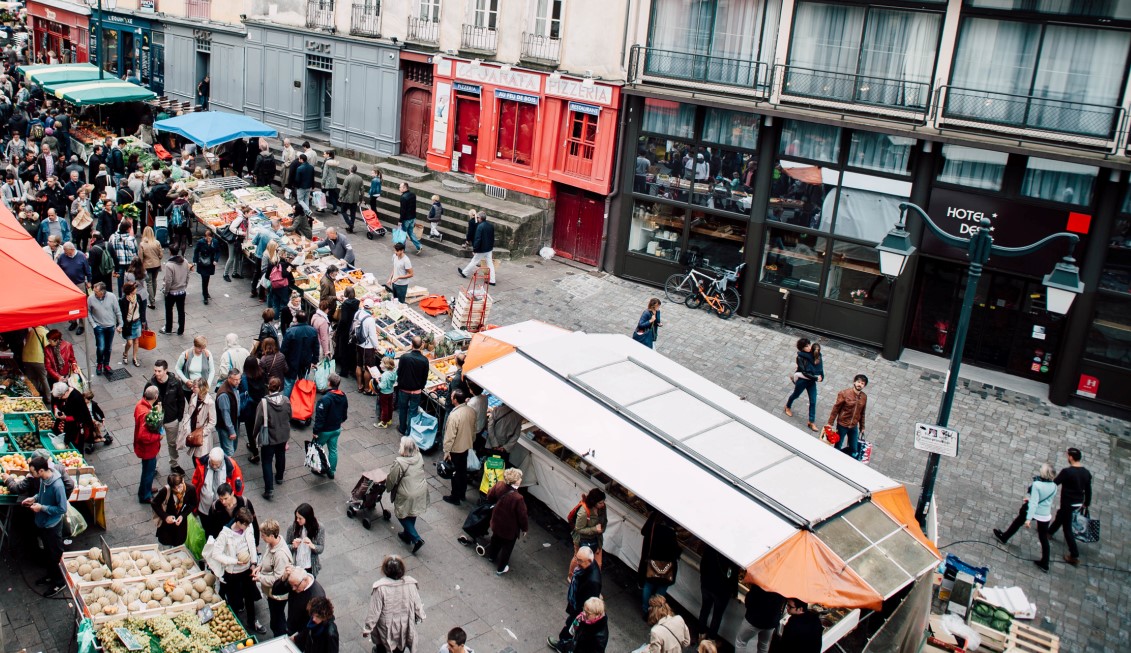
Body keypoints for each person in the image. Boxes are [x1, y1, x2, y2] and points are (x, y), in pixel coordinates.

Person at [205, 507, 267, 635]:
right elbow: (216, 554)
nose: (247, 528)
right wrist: (233, 561)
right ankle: (234, 625)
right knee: (233, 598)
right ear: (238, 522)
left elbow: (252, 544)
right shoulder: (225, 534)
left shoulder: (248, 527)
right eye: (245, 525)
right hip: (232, 572)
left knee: (249, 596)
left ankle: (252, 621)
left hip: (247, 569)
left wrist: (254, 563)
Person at [992, 463, 1058, 571]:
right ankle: (1045, 563)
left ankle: (1004, 537)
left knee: (1018, 522)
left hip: (1034, 511)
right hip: (1045, 514)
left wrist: (1028, 519)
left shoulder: (1037, 485)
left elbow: (1033, 503)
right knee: (1043, 538)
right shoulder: (1054, 486)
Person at [23, 456, 69, 597]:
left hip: (52, 526)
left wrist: (42, 508)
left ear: (41, 470)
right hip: (42, 522)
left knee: (54, 554)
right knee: (48, 552)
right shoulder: (43, 479)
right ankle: (51, 575)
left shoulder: (57, 486)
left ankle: (59, 582)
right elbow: (42, 493)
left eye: (33, 472)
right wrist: (35, 498)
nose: (31, 475)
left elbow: (62, 509)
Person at [362, 554, 426, 653]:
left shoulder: (380, 588)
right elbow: (417, 604)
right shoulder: (410, 584)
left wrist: (368, 628)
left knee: (383, 647)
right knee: (401, 645)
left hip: (386, 628)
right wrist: (420, 616)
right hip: (404, 625)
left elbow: (374, 612)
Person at [549, 546, 602, 653]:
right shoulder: (587, 567)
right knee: (570, 626)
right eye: (577, 559)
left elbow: (588, 603)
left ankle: (562, 645)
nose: (577, 563)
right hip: (577, 605)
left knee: (570, 627)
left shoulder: (593, 581)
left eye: (580, 561)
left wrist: (579, 614)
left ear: (589, 561)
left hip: (580, 610)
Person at [1048, 447, 1093, 566]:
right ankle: (1050, 532)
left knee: (1067, 529)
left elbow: (1055, 483)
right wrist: (1087, 502)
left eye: (1068, 456)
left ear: (1071, 457)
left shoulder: (1067, 472)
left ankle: (1074, 554)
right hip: (1078, 503)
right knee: (1060, 516)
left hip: (1068, 502)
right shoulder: (1086, 473)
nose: (1067, 458)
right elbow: (1088, 489)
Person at [387, 436, 428, 553]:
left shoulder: (399, 463)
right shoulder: (419, 456)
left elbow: (392, 479)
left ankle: (416, 538)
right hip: (421, 489)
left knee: (401, 514)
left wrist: (388, 488)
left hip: (407, 493)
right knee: (412, 511)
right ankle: (407, 535)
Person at [485, 468, 528, 576]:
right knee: (507, 549)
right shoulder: (518, 498)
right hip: (509, 529)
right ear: (515, 481)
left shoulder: (499, 485)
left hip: (496, 521)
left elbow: (490, 496)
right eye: (519, 478)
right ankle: (501, 568)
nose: (521, 479)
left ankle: (491, 557)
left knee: (495, 540)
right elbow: (522, 516)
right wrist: (525, 528)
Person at [254, 376, 291, 500]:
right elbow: (290, 415)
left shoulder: (263, 403)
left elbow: (258, 422)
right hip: (283, 435)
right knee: (281, 455)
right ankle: (279, 477)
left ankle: (269, 489)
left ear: (267, 387)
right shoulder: (286, 400)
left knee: (267, 461)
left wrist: (254, 436)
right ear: (279, 387)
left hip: (269, 437)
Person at [256, 519, 294, 638]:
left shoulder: (280, 555)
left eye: (263, 535)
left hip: (278, 594)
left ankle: (281, 638)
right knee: (276, 616)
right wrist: (260, 566)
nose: (262, 538)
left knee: (277, 618)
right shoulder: (272, 543)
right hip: (271, 593)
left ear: (272, 536)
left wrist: (259, 578)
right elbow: (267, 558)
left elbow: (278, 579)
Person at [639, 511, 681, 618]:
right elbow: (675, 551)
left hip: (652, 563)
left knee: (648, 585)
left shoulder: (655, 528)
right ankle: (655, 613)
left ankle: (645, 610)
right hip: (666, 568)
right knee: (661, 589)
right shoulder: (671, 534)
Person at [698, 545, 740, 643]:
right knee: (717, 616)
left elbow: (702, 565)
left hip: (707, 585)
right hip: (721, 591)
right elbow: (734, 576)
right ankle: (711, 640)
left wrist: (703, 579)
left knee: (705, 609)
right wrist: (735, 591)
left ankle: (701, 635)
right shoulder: (732, 554)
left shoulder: (710, 547)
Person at [441, 388, 475, 505]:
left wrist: (447, 451)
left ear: (455, 400)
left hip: (456, 448)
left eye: (452, 396)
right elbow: (474, 429)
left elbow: (450, 436)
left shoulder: (454, 415)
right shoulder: (471, 411)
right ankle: (462, 493)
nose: (450, 398)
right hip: (466, 446)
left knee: (454, 473)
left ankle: (454, 496)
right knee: (462, 471)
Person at [312, 374, 348, 478]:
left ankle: (318, 468)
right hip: (336, 428)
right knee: (333, 450)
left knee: (317, 448)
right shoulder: (343, 395)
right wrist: (341, 421)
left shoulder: (325, 399)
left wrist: (315, 431)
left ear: (329, 383)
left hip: (325, 430)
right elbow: (345, 412)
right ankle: (331, 471)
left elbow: (320, 418)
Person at [133, 385, 164, 504]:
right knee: (148, 471)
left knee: (147, 470)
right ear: (156, 397)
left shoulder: (140, 405)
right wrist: (158, 436)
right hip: (148, 449)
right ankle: (145, 495)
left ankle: (146, 489)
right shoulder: (146, 414)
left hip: (145, 448)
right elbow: (144, 435)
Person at [274, 567, 326, 637]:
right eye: (292, 586)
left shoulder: (317, 596)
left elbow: (314, 623)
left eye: (296, 586)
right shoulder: (295, 581)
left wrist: (297, 637)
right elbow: (276, 591)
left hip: (301, 635)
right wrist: (283, 578)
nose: (293, 589)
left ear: (305, 580)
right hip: (291, 626)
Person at [734, 583, 785, 653]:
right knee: (763, 646)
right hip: (771, 622)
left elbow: (750, 599)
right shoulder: (783, 583)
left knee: (740, 642)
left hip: (754, 619)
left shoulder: (761, 580)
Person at [827, 374, 868, 460]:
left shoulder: (864, 397)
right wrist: (830, 423)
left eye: (862, 383)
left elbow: (862, 413)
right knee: (838, 445)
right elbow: (836, 409)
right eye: (858, 382)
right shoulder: (844, 393)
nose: (859, 384)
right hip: (842, 424)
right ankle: (834, 459)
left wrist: (862, 426)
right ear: (854, 382)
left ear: (864, 386)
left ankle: (841, 457)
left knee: (854, 449)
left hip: (853, 426)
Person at [785, 339, 822, 432]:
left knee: (813, 401)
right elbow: (804, 372)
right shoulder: (800, 357)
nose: (809, 347)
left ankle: (811, 421)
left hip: (811, 381)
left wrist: (821, 376)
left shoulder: (814, 354)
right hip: (803, 380)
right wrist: (816, 378)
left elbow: (819, 367)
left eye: (809, 345)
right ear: (802, 348)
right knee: (795, 395)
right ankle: (788, 406)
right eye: (806, 346)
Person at [151, 472, 197, 546]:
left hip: (180, 525)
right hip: (166, 526)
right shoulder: (166, 490)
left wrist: (182, 516)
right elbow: (155, 503)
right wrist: (165, 517)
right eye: (174, 488)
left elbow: (193, 504)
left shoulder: (191, 489)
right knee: (166, 543)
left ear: (183, 481)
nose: (177, 490)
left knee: (178, 543)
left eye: (179, 486)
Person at [87, 281, 122, 376]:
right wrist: (94, 325)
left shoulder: (112, 297)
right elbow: (88, 312)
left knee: (108, 348)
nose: (94, 292)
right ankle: (99, 364)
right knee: (101, 347)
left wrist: (120, 324)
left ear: (102, 292)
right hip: (99, 327)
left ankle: (106, 364)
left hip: (110, 326)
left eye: (96, 291)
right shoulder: (90, 298)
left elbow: (117, 311)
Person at [396, 337, 429, 436]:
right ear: (422, 346)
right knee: (412, 411)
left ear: (411, 345)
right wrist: (421, 387)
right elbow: (425, 377)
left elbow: (399, 372)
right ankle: (409, 431)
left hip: (403, 389)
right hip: (416, 391)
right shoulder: (424, 360)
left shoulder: (404, 357)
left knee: (402, 409)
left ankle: (402, 428)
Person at [570, 488, 608, 574]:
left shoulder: (602, 507)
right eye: (600, 503)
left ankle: (592, 582)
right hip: (582, 540)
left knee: (598, 564)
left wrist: (602, 530)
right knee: (578, 560)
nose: (603, 504)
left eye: (603, 502)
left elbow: (604, 520)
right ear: (594, 502)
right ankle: (571, 576)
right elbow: (578, 529)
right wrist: (595, 529)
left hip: (597, 539)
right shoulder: (583, 512)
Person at [51, 380, 95, 452]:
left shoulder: (77, 398)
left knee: (77, 446)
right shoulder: (62, 393)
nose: (59, 399)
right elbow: (56, 401)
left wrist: (66, 418)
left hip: (77, 426)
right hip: (68, 424)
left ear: (65, 393)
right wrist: (56, 409)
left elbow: (80, 417)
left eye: (60, 397)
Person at [281, 311, 319, 396]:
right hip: (306, 361)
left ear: (296, 319)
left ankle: (286, 403)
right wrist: (315, 360)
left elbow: (284, 349)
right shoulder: (312, 331)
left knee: (289, 384)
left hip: (291, 362)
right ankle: (303, 401)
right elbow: (316, 347)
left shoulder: (290, 331)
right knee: (304, 381)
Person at [179, 378, 216, 461]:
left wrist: (203, 433)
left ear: (201, 388)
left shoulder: (210, 402)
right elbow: (190, 413)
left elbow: (212, 422)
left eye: (194, 387)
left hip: (202, 434)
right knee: (194, 456)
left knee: (200, 458)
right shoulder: (193, 396)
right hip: (192, 430)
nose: (192, 389)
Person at [241, 356, 268, 463]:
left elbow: (243, 392)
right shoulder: (262, 373)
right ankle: (263, 444)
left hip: (250, 408)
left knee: (250, 429)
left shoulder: (244, 378)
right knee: (262, 426)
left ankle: (255, 452)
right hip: (262, 405)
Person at [458, 212, 496, 284]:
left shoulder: (480, 226)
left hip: (481, 249)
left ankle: (464, 273)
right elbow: (492, 238)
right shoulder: (490, 226)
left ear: (480, 218)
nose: (477, 219)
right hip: (489, 248)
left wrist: (475, 249)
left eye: (478, 217)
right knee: (490, 264)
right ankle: (492, 280)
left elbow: (478, 239)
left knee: (474, 261)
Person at [161, 246, 191, 336]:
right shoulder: (185, 261)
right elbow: (188, 275)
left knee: (169, 311)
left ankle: (168, 329)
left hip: (172, 292)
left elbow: (168, 280)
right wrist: (185, 285)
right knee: (181, 311)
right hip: (182, 291)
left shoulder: (169, 265)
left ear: (170, 252)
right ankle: (181, 330)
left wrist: (166, 291)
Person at [215, 369, 243, 457]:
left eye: (239, 379)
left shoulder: (233, 387)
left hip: (234, 421)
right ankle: (227, 469)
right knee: (229, 451)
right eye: (236, 380)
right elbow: (225, 414)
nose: (238, 382)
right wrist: (231, 431)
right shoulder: (224, 394)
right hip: (226, 426)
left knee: (233, 447)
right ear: (229, 378)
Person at [355, 302, 380, 393]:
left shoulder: (357, 313)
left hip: (358, 342)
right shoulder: (370, 320)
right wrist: (376, 347)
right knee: (368, 368)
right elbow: (372, 335)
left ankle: (359, 385)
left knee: (358, 364)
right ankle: (366, 388)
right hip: (367, 346)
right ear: (371, 308)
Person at [108, 220, 138, 296]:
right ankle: (130, 295)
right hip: (129, 263)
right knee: (130, 280)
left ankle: (121, 297)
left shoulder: (112, 237)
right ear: (127, 229)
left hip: (118, 263)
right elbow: (135, 252)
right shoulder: (131, 239)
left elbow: (110, 250)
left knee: (120, 282)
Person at [21, 326, 51, 400]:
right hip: (38, 359)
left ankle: (34, 397)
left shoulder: (31, 331)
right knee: (43, 378)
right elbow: (47, 347)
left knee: (31, 378)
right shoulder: (44, 332)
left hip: (26, 358)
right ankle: (48, 397)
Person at [119, 281, 142, 368]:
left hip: (137, 321)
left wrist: (143, 321)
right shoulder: (123, 300)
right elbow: (121, 313)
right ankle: (125, 353)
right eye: (134, 288)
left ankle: (134, 358)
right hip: (128, 324)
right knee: (129, 342)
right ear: (130, 290)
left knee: (136, 341)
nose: (136, 289)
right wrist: (120, 325)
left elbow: (142, 310)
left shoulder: (138, 297)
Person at [138, 226, 162, 309]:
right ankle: (153, 297)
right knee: (154, 281)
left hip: (147, 266)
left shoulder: (142, 244)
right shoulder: (157, 242)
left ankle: (152, 301)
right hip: (156, 265)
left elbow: (140, 257)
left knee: (149, 283)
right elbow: (161, 255)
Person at [397, 182, 421, 253]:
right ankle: (419, 246)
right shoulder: (413, 195)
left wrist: (400, 220)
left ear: (404, 188)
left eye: (400, 187)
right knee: (411, 232)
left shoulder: (403, 197)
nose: (399, 188)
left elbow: (403, 210)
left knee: (403, 233)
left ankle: (402, 248)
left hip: (406, 219)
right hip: (412, 217)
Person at [339, 164, 363, 232]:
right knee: (353, 213)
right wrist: (361, 198)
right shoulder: (360, 178)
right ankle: (351, 227)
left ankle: (350, 224)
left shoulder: (348, 178)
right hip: (355, 198)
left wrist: (340, 196)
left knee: (343, 211)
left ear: (350, 170)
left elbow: (344, 188)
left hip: (347, 198)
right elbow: (362, 190)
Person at [320, 150, 340, 214]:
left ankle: (322, 208)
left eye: (324, 154)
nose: (323, 155)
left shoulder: (326, 162)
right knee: (332, 195)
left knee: (322, 194)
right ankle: (335, 209)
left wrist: (322, 182)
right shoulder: (334, 162)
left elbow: (325, 173)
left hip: (327, 182)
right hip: (333, 182)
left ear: (328, 155)